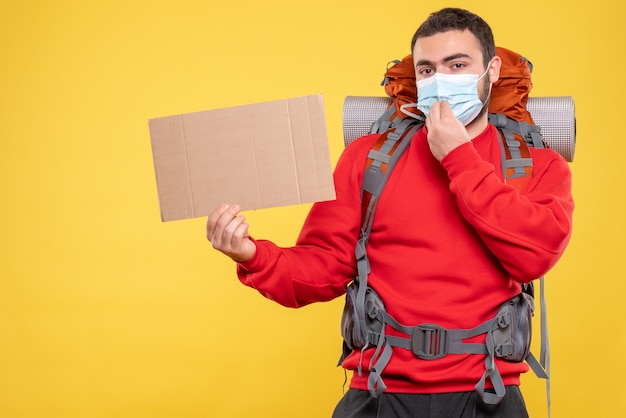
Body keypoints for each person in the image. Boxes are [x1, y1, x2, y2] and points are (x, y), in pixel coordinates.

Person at [206, 7, 574, 418]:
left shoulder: (537, 165)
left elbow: (534, 255)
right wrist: (253, 256)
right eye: (428, 70)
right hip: (378, 391)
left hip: (489, 390)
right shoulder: (367, 160)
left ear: (490, 70)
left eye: (457, 65)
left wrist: (458, 157)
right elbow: (323, 267)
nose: (441, 81)